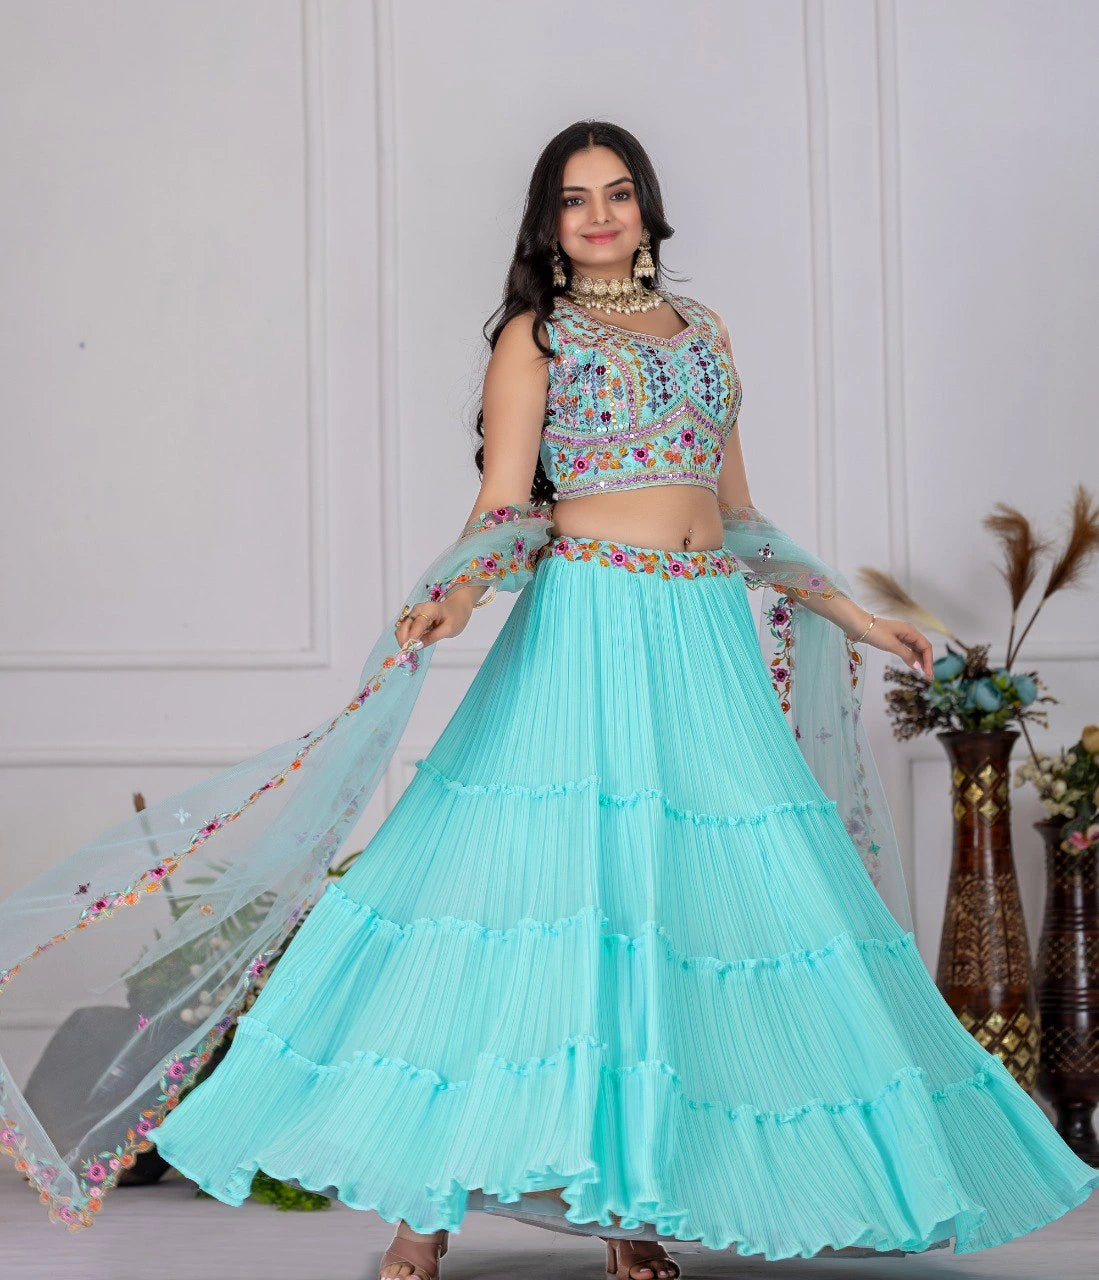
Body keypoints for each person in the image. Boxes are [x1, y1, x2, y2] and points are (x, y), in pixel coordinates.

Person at [3, 120, 1096, 1278]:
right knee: (516, 903)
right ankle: (417, 1215)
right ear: (547, 222)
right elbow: (506, 503)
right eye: (574, 199)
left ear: (647, 208)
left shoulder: (708, 334)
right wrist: (455, 596)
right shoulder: (538, 338)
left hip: (700, 639)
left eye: (617, 193)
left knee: (675, 916)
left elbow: (739, 519)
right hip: (586, 631)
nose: (598, 214)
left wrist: (874, 621)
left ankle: (633, 1214)